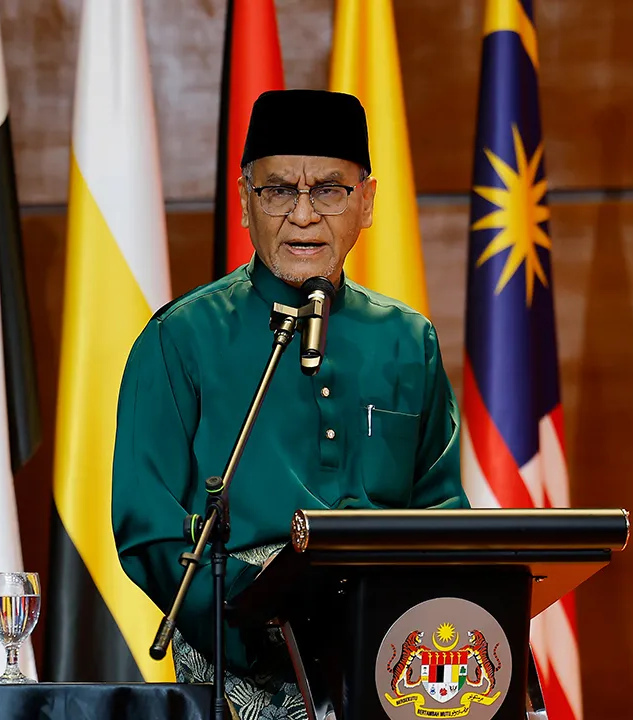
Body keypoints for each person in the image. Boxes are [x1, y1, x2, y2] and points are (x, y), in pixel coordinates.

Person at [111, 89, 469, 719]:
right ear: (247, 202)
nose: (303, 215)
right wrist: (253, 624)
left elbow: (442, 509)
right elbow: (150, 529)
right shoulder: (180, 338)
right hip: (243, 650)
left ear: (366, 201)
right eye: (279, 191)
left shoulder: (408, 341)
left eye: (329, 190)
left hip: (391, 649)